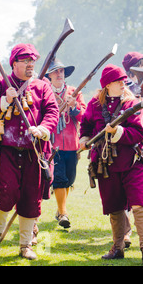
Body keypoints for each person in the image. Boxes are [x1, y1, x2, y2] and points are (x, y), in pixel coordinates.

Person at [0, 43, 59, 260]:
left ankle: (26, 245)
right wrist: (4, 100)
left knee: (31, 198)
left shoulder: (42, 87)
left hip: (34, 151)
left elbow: (52, 111)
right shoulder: (0, 83)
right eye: (25, 61)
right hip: (6, 151)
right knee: (7, 192)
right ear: (14, 64)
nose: (30, 64)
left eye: (32, 61)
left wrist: (43, 128)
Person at [79, 64, 143, 264]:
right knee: (114, 205)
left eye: (123, 81)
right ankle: (118, 247)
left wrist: (118, 132)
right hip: (106, 164)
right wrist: (84, 139)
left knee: (140, 204)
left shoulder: (132, 104)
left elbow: (138, 133)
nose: (123, 84)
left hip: (133, 161)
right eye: (118, 81)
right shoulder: (94, 104)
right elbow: (86, 125)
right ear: (107, 85)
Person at [46, 59, 86, 229]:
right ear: (49, 76)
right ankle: (63, 213)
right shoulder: (44, 92)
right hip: (53, 143)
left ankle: (60, 208)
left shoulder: (74, 92)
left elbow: (84, 116)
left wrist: (74, 106)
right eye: (55, 71)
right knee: (59, 179)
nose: (59, 74)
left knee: (69, 179)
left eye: (61, 71)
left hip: (72, 143)